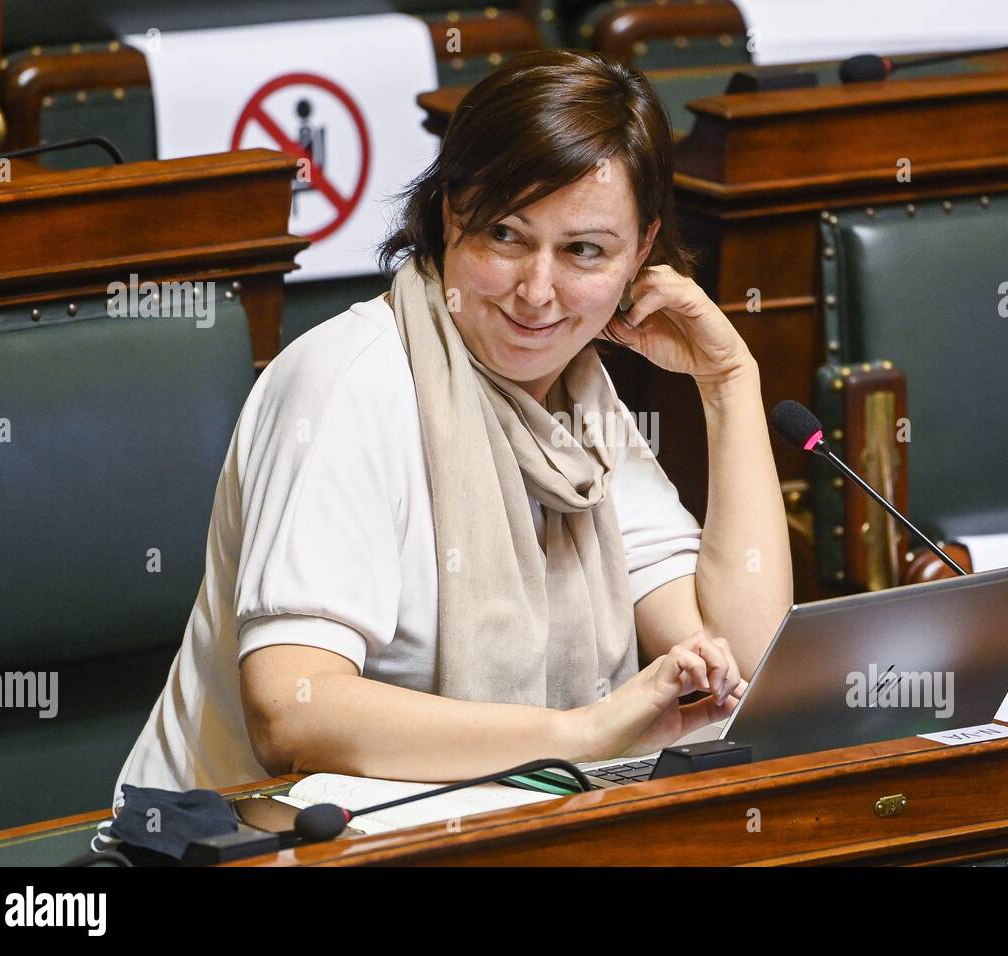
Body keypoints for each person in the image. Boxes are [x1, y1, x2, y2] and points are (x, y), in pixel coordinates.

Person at [112, 49, 792, 805]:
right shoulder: (349, 382)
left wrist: (731, 385)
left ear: (641, 252)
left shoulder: (578, 395)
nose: (538, 292)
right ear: (450, 214)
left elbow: (749, 668)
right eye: (506, 235)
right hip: (239, 846)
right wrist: (578, 736)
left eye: (584, 252)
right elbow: (292, 708)